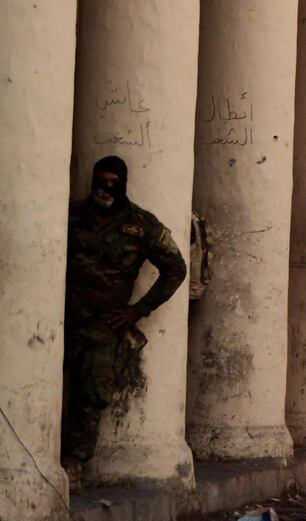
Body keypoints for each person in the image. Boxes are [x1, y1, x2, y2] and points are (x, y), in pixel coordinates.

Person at [62, 155, 186, 483]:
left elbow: (176, 269)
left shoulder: (141, 224)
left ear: (123, 185)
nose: (105, 189)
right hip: (62, 318)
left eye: (113, 184)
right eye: (100, 182)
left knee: (90, 396)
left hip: (105, 326)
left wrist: (138, 310)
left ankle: (73, 465)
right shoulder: (71, 214)